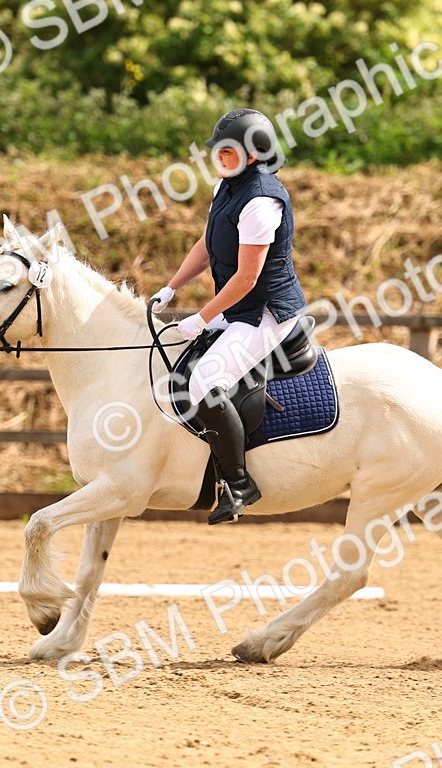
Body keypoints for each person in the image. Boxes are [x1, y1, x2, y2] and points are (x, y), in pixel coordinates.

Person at [150, 108, 307, 525]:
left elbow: (246, 277)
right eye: (217, 149)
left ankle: (239, 483)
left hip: (266, 312)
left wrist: (202, 317)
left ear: (253, 155)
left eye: (228, 150)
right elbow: (207, 243)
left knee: (205, 382)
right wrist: (172, 286)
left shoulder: (261, 201)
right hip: (239, 307)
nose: (218, 156)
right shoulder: (227, 186)